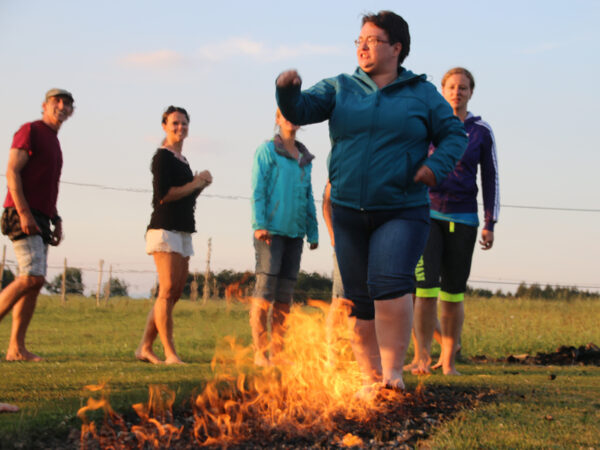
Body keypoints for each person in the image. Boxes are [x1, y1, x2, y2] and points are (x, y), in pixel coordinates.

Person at [276, 11, 467, 391]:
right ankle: (370, 379)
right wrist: (287, 90)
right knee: (358, 298)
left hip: (401, 209)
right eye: (359, 40)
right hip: (348, 210)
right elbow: (300, 110)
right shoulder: (340, 87)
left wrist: (435, 167)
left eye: (373, 39)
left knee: (389, 282)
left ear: (396, 48)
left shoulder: (422, 93)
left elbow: (454, 136)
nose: (363, 46)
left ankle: (394, 376)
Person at [411, 67, 499, 375]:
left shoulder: (481, 131)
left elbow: (491, 177)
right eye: (451, 87)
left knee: (452, 293)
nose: (457, 92)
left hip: (464, 218)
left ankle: (448, 362)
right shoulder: (429, 126)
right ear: (443, 90)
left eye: (463, 87)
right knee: (424, 290)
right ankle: (421, 358)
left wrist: (490, 221)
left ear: (471, 92)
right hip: (428, 214)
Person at [0, 88, 74, 361]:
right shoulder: (30, 130)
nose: (62, 107)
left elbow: (47, 187)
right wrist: (23, 213)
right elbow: (12, 171)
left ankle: (16, 348)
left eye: (67, 104)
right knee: (32, 276)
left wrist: (55, 219)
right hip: (21, 212)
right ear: (44, 105)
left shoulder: (54, 142)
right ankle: (15, 347)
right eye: (57, 102)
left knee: (34, 282)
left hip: (42, 216)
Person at [136, 106, 212, 365]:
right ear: (165, 126)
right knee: (167, 290)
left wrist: (199, 184)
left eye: (184, 123)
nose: (180, 128)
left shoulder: (183, 160)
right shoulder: (162, 157)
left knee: (174, 292)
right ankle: (170, 353)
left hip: (183, 229)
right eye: (175, 123)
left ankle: (145, 347)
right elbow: (165, 195)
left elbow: (186, 196)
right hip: (164, 228)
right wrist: (194, 182)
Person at [250, 108, 318, 367]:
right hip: (270, 233)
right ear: (277, 119)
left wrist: (312, 230)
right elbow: (258, 189)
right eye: (284, 114)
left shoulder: (305, 158)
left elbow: (308, 195)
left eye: (295, 113)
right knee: (264, 294)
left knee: (284, 298)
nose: (290, 118)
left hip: (295, 234)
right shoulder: (266, 151)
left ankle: (278, 353)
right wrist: (259, 224)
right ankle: (260, 353)